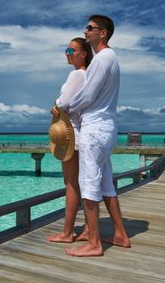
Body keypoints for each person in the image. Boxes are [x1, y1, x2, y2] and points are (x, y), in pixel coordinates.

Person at [64, 15, 131, 257]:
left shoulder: (103, 58)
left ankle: (94, 243)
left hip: (95, 127)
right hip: (106, 127)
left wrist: (66, 108)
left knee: (89, 184)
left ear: (103, 33)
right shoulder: (109, 59)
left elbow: (87, 95)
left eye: (90, 28)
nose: (85, 31)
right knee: (105, 184)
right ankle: (121, 234)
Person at [47, 37, 92, 243]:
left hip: (70, 135)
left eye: (71, 50)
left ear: (83, 53)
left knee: (71, 184)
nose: (67, 53)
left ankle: (67, 233)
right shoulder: (88, 75)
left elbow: (63, 103)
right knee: (82, 184)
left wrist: (56, 103)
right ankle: (89, 229)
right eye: (66, 49)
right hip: (80, 133)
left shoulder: (76, 74)